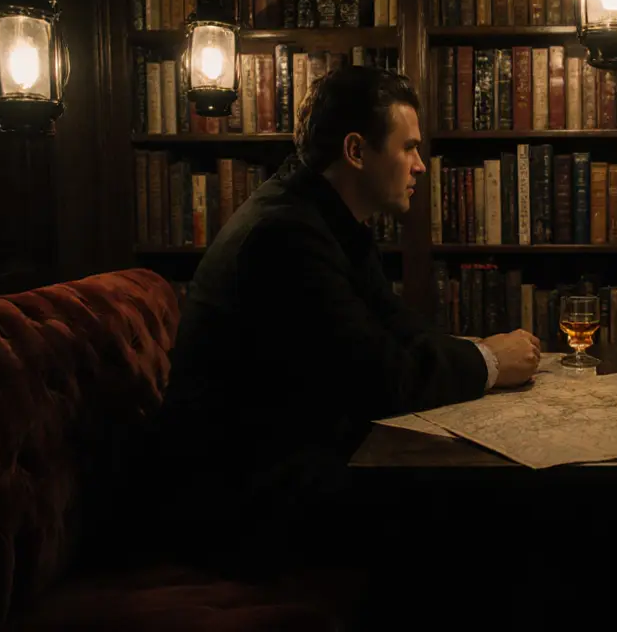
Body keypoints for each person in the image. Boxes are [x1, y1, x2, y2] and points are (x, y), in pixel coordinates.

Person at [142, 66, 542, 574]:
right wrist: (487, 361)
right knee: (484, 516)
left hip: (282, 466)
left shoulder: (324, 216)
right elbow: (380, 379)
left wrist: (478, 353)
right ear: (356, 151)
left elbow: (396, 325)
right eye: (409, 148)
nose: (421, 166)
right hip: (233, 503)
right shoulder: (285, 235)